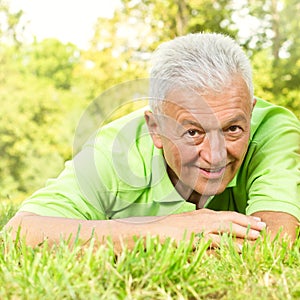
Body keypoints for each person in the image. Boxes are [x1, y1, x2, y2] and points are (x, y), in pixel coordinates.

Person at [5, 33, 300, 252]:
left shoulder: (274, 129)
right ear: (155, 128)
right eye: (193, 133)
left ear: (250, 111)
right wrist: (159, 232)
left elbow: (275, 239)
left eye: (233, 128)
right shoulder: (113, 150)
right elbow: (18, 234)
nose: (215, 155)